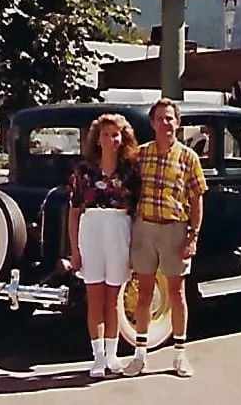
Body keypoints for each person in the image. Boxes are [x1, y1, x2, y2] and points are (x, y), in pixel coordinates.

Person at [124, 98, 208, 378]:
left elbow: (197, 201)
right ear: (152, 123)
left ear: (178, 122)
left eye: (170, 118)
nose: (166, 124)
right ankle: (139, 355)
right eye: (160, 118)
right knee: (144, 293)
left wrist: (192, 236)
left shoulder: (188, 157)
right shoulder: (141, 155)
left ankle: (180, 355)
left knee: (177, 293)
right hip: (145, 227)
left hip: (174, 228)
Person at [67, 113, 141, 378]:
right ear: (98, 139)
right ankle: (97, 357)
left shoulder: (131, 170)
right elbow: (74, 211)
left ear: (123, 138)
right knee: (94, 298)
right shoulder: (83, 171)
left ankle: (112, 355)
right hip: (92, 230)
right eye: (106, 134)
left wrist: (134, 250)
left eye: (116, 134)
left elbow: (136, 212)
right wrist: (75, 250)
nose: (111, 139)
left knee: (114, 299)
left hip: (119, 230)